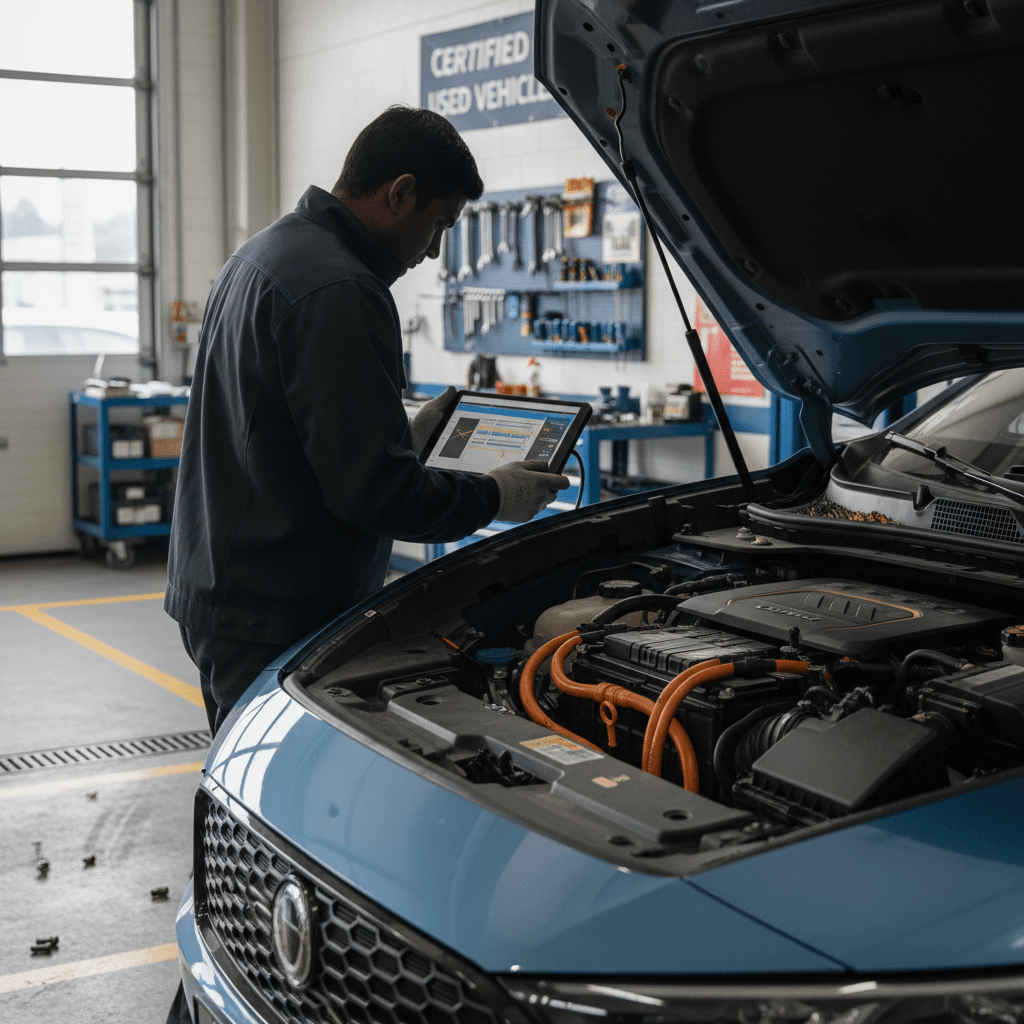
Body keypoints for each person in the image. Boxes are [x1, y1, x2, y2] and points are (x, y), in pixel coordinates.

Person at [163, 105, 569, 1022]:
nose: (432, 252)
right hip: (278, 603)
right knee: (274, 834)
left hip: (224, 581)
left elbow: (298, 434)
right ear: (398, 194)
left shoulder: (267, 254)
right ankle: (259, 986)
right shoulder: (344, 288)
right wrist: (495, 496)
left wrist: (401, 435)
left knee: (256, 805)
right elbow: (371, 497)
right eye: (436, 224)